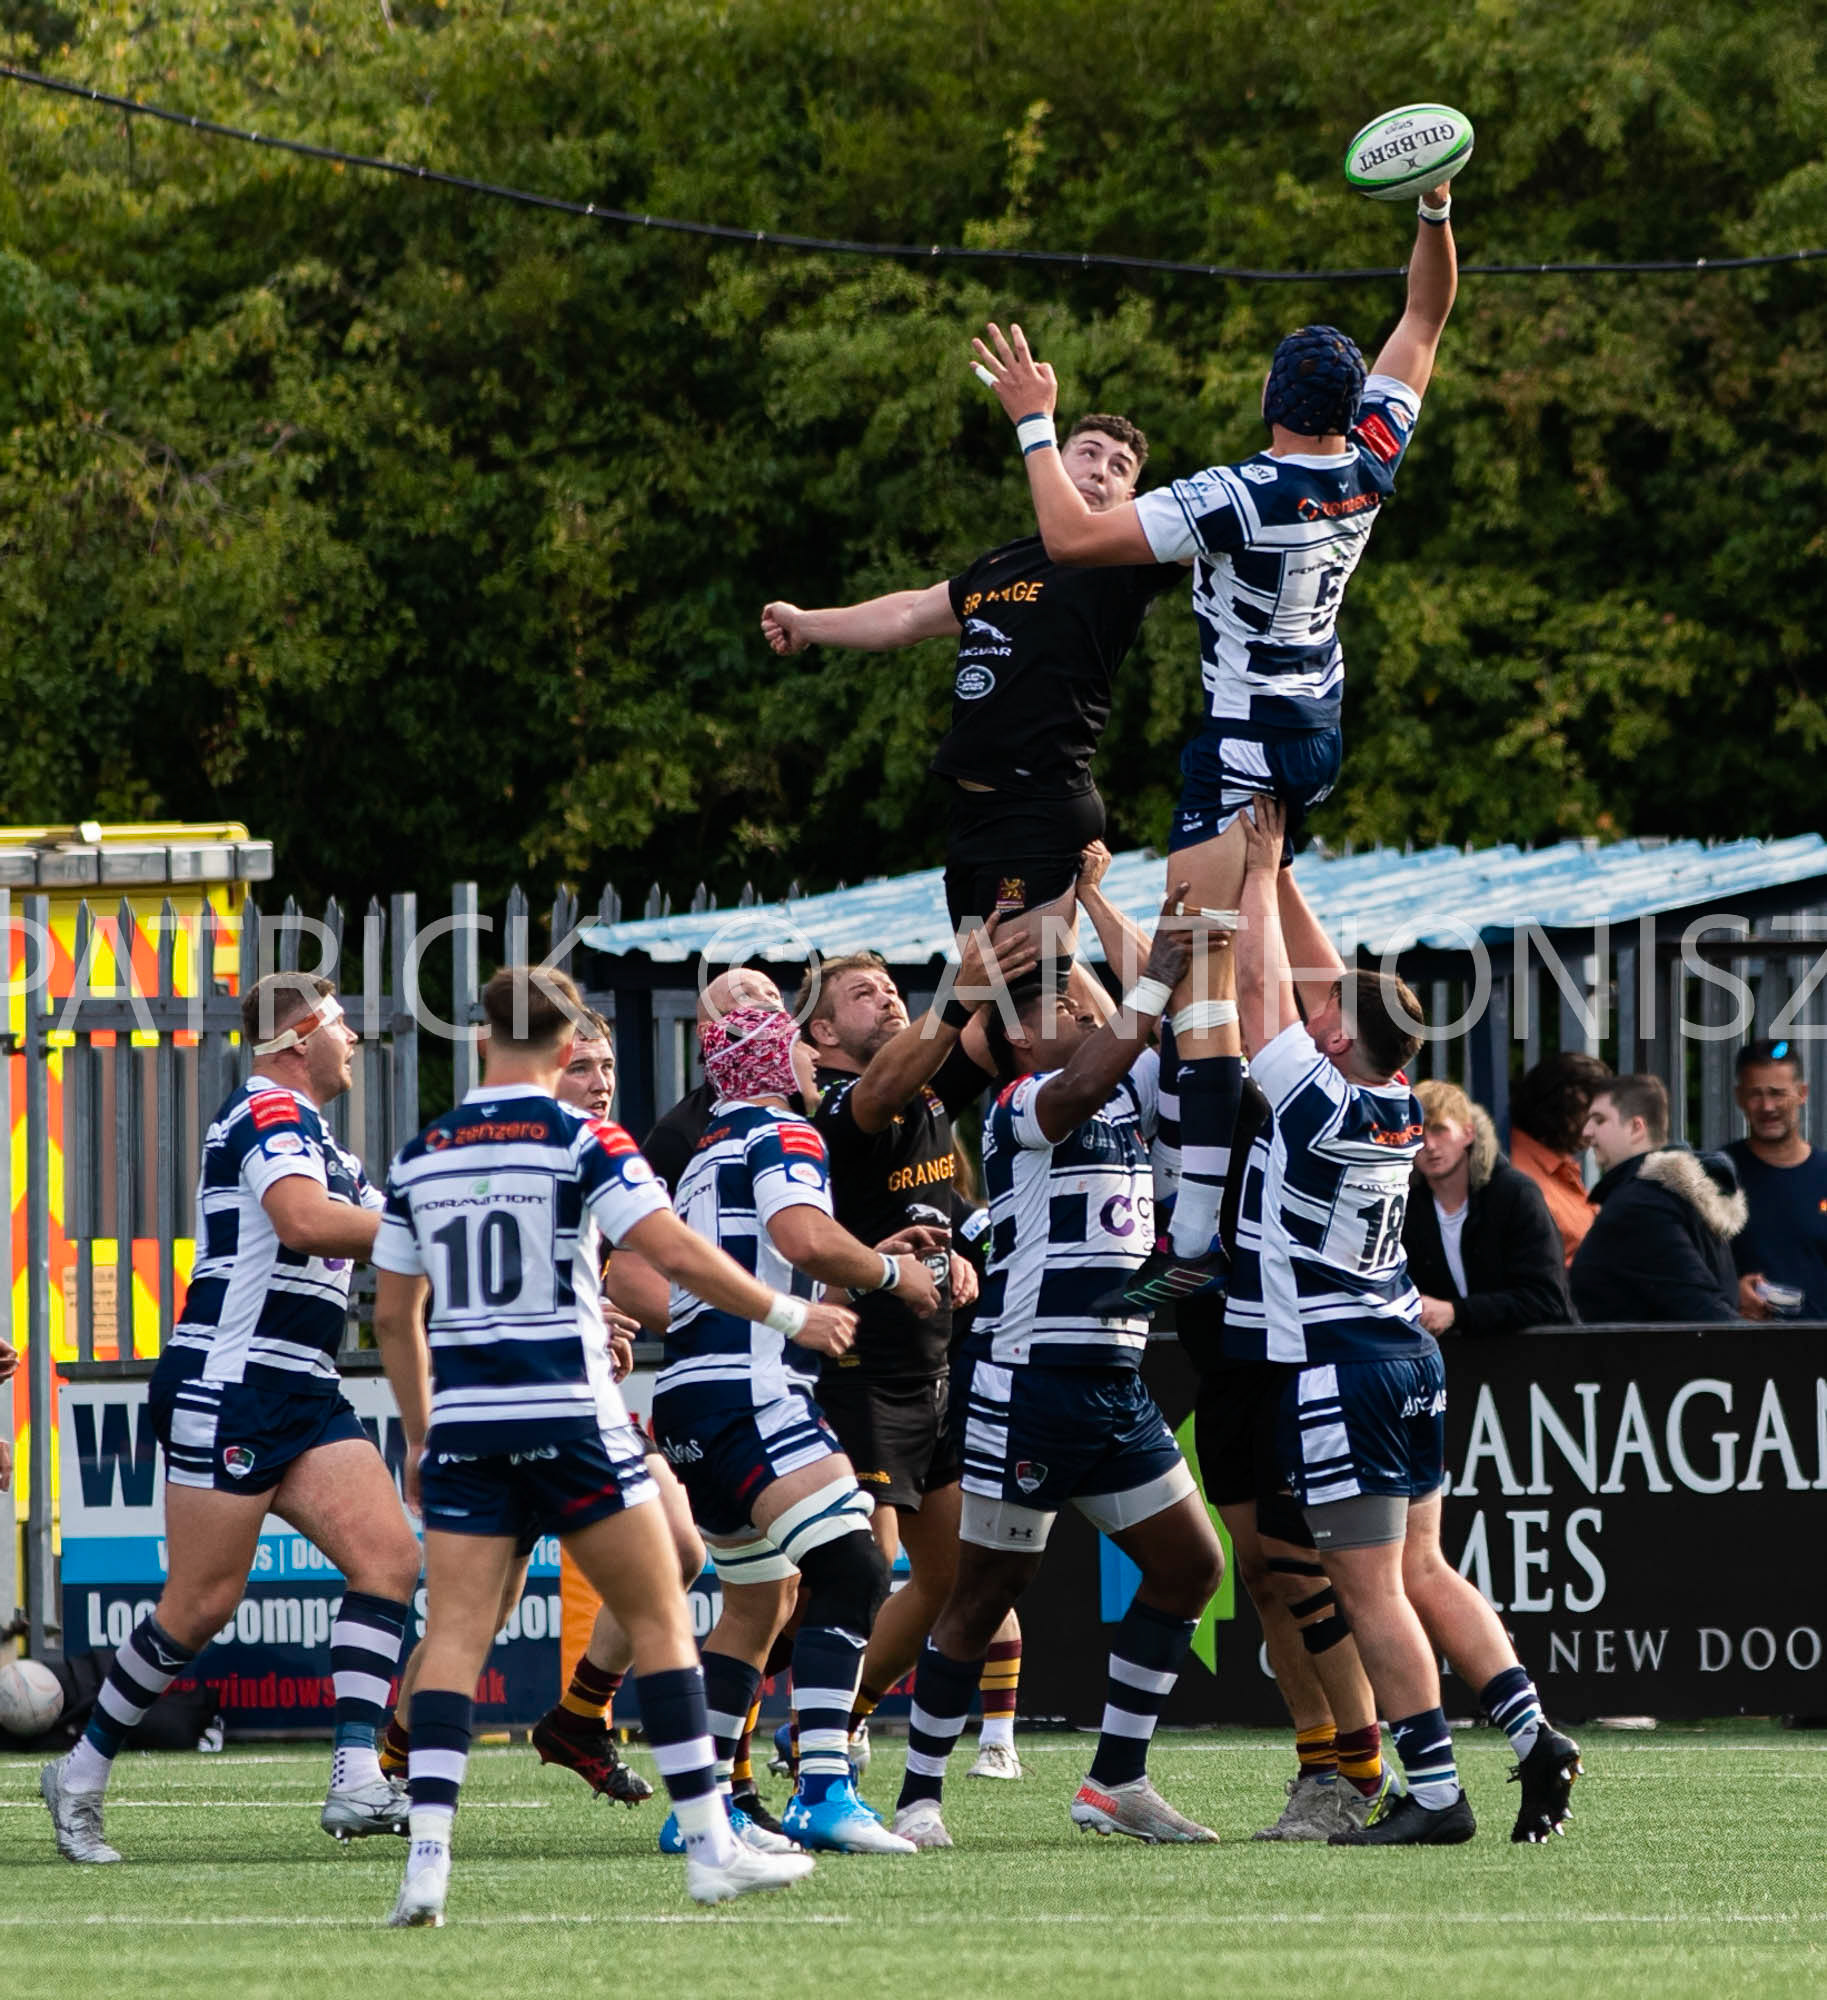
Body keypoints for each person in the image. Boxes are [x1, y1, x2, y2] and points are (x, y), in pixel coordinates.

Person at [970, 186, 1459, 1306]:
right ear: (1347, 404)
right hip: (1317, 732)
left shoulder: (1241, 492)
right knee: (1249, 931)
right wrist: (1433, 208)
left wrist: (1035, 419)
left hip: (1243, 741)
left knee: (1202, 969)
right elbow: (1423, 322)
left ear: (1265, 398)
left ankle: (1190, 1233)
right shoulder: (1368, 461)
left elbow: (1069, 534)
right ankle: (1339, 1076)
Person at [371, 967, 840, 1924]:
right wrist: (786, 1309)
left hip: (466, 1425)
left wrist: (423, 1435)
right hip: (571, 1415)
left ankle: (426, 1864)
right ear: (559, 1047)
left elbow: (391, 1318)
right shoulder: (583, 1137)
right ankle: (711, 1847)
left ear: (479, 1042)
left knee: (457, 1637)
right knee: (665, 1612)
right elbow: (671, 1251)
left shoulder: (423, 1153)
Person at [1224, 798, 1579, 1848]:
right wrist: (1279, 867)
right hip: (1408, 1354)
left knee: (1370, 1586)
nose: (1313, 1013)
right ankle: (1531, 1732)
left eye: (1327, 1013)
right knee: (1426, 1568)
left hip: (1344, 1363)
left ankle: (1433, 1788)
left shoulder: (1317, 1103)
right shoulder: (1395, 1100)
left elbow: (1257, 988)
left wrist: (1252, 877)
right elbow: (1333, 992)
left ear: (1338, 1033)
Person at [41, 974, 424, 1865]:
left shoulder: (319, 1137)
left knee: (389, 1560)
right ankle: (81, 1772)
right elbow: (304, 1222)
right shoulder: (266, 1115)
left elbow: (380, 1229)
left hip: (300, 1387)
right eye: (339, 1024)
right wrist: (429, 1227)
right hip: (230, 1383)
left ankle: (356, 1776)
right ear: (295, 1039)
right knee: (202, 1604)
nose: (353, 1041)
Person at [891, 891, 1231, 1850]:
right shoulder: (1021, 1109)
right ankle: (919, 1797)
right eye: (1057, 1012)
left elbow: (1129, 1041)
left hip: (1113, 1387)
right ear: (1012, 1045)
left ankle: (1115, 1781)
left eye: (1086, 1008)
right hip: (1028, 1382)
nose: (1081, 1014)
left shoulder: (1119, 1087)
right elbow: (1083, 1071)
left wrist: (1081, 895)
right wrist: (1157, 971)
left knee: (1190, 1567)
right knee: (986, 1590)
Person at [378, 1013, 706, 1810]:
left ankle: (579, 1717)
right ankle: (388, 1770)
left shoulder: (586, 1148)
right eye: (582, 1067)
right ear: (543, 1065)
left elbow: (619, 1268)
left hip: (577, 1405)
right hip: (498, 1410)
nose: (598, 1084)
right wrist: (781, 1312)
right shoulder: (481, 1150)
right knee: (477, 1621)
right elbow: (420, 1303)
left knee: (680, 1552)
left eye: (606, 1069)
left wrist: (599, 1324)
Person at [651, 1000, 945, 1858]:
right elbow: (801, 1236)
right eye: (797, 1051)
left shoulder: (707, 1152)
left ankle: (698, 1809)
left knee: (750, 1605)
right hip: (752, 1392)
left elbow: (776, 1257)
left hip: (690, 1398)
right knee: (853, 1563)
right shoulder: (782, 1133)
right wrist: (893, 1271)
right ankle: (824, 1788)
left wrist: (860, 1258)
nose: (814, 1068)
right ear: (777, 1061)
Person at [761, 412, 1182, 943]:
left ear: (1131, 496)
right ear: (1055, 461)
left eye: (1119, 466)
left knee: (1024, 1014)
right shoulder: (1003, 563)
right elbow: (910, 614)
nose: (1101, 471)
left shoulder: (1126, 561)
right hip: (975, 812)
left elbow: (1208, 529)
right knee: (993, 1009)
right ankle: (1151, 1009)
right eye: (1089, 452)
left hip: (1039, 804)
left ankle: (1163, 1011)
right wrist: (805, 623)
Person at [796, 924, 1038, 1781]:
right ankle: (781, 1734)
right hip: (862, 1374)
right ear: (821, 1035)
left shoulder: (929, 1084)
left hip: (934, 1368)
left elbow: (1006, 1016)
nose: (888, 997)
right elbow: (909, 1061)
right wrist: (951, 989)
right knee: (857, 1569)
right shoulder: (842, 1100)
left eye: (892, 988)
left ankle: (837, 1721)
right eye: (863, 994)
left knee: (948, 1580)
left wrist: (1048, 904)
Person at [1570, 1076, 1746, 1325]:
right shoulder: (1673, 1197)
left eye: (1599, 1120)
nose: (1587, 1132)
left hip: (1648, 1362)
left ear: (1636, 1128)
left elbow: (1703, 1308)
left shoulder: (1641, 1206)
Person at [1403, 1080, 1572, 1336]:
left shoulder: (1515, 1194)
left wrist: (1457, 1312)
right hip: (1456, 1365)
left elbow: (1547, 1299)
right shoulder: (1408, 1204)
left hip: (1537, 1360)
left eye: (1440, 1130)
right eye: (1418, 1132)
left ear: (1468, 1133)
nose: (1430, 1145)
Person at [1728, 1039, 1827, 1320]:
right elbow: (1690, 1269)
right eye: (1755, 1094)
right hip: (1741, 1352)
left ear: (1802, 1093)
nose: (1767, 1106)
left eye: (1777, 1093)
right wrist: (1730, 1292)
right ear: (1739, 1097)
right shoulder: (1718, 1176)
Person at [1508, 1052, 1613, 1267]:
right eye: (1590, 1115)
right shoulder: (1518, 1171)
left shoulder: (1559, 1164)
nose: (1595, 1129)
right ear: (1557, 1106)